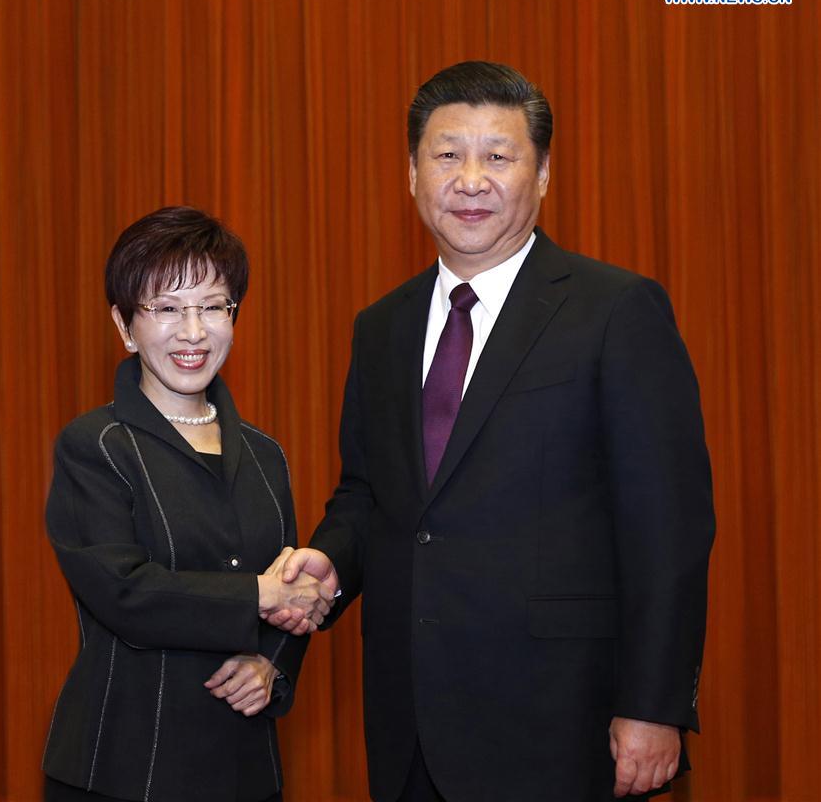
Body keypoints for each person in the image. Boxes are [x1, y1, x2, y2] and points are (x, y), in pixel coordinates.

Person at [264, 62, 715, 801]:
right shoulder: (381, 327)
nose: (469, 179)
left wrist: (653, 705)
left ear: (541, 176)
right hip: (408, 716)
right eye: (446, 155)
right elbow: (369, 494)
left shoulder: (614, 310)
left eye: (497, 156)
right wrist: (331, 564)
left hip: (562, 718)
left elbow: (668, 526)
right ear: (411, 173)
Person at [42, 206, 334, 802]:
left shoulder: (264, 453)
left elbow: (290, 590)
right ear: (125, 326)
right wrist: (260, 593)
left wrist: (273, 665)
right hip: (125, 766)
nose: (194, 331)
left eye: (213, 306)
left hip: (243, 766)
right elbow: (125, 592)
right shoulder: (95, 444)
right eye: (167, 308)